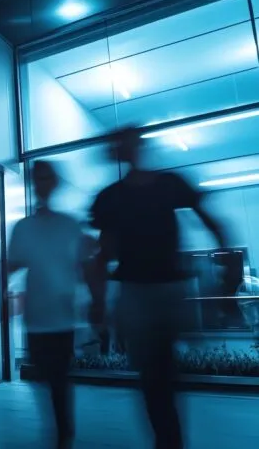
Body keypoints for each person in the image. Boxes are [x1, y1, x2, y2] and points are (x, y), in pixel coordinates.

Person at [89, 129, 227, 449]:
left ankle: (167, 437)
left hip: (155, 290)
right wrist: (98, 301)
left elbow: (104, 254)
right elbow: (104, 252)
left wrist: (99, 302)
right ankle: (168, 437)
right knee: (156, 374)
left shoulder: (148, 188)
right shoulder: (117, 196)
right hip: (147, 291)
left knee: (156, 374)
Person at [8, 160, 90, 449]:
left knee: (57, 377)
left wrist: (92, 303)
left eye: (46, 178)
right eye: (38, 179)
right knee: (47, 377)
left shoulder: (69, 226)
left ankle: (63, 432)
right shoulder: (24, 228)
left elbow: (84, 267)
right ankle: (60, 429)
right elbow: (12, 266)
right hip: (37, 315)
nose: (42, 184)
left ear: (53, 184)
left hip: (62, 315)